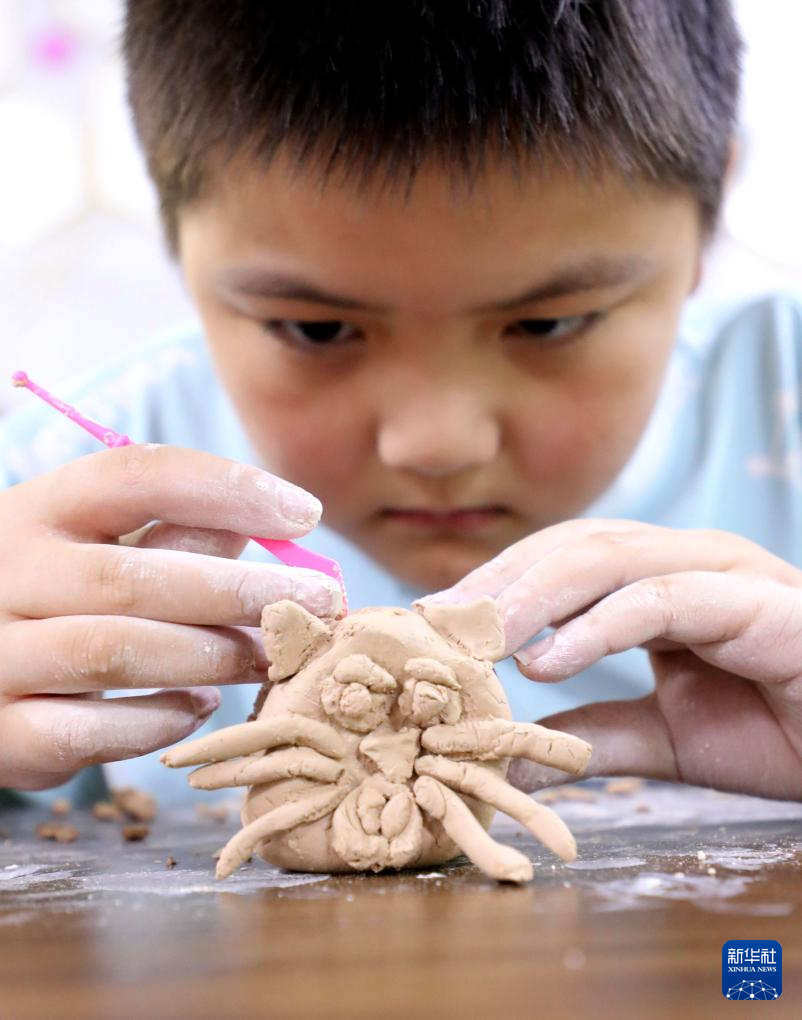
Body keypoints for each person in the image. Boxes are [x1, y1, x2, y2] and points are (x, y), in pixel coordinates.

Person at [1, 0, 801, 810]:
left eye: (547, 324)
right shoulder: (43, 506)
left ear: (708, 222)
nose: (435, 445)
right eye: (317, 330)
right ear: (175, 237)